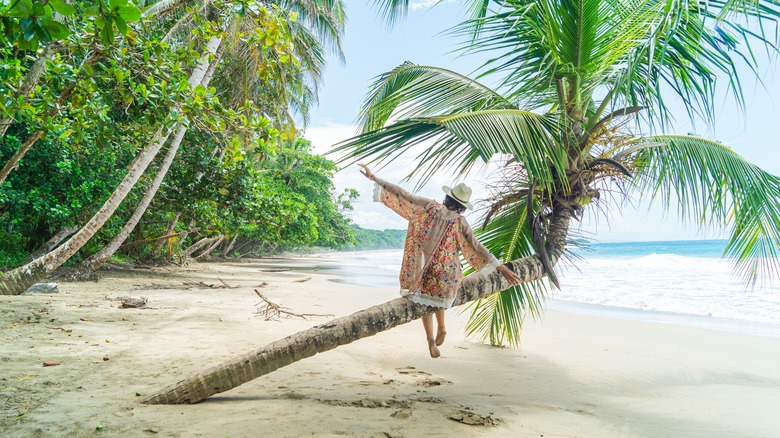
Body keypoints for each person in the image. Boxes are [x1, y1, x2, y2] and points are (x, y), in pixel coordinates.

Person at [359, 164, 522, 358]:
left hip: (426, 270)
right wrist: (501, 267)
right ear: (462, 206)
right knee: (437, 298)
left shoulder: (429, 207)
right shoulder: (460, 222)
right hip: (448, 275)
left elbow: (403, 194)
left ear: (448, 198)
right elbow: (477, 247)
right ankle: (442, 327)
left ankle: (430, 340)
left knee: (424, 299)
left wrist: (375, 178)